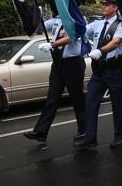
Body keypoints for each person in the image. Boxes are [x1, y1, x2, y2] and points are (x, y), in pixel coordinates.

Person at [75, 0, 122, 149]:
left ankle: (119, 136)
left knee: (117, 104)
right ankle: (90, 138)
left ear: (115, 7)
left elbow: (115, 42)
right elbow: (82, 31)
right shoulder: (97, 23)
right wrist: (71, 27)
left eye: (107, 4)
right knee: (90, 103)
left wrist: (100, 51)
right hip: (99, 71)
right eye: (103, 4)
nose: (103, 6)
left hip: (115, 69)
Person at [24, 11, 86, 144]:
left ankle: (84, 130)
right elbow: (40, 29)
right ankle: (41, 131)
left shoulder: (78, 20)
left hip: (73, 63)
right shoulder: (58, 20)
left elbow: (72, 37)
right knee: (52, 98)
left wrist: (52, 44)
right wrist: (34, 17)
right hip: (58, 63)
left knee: (77, 98)